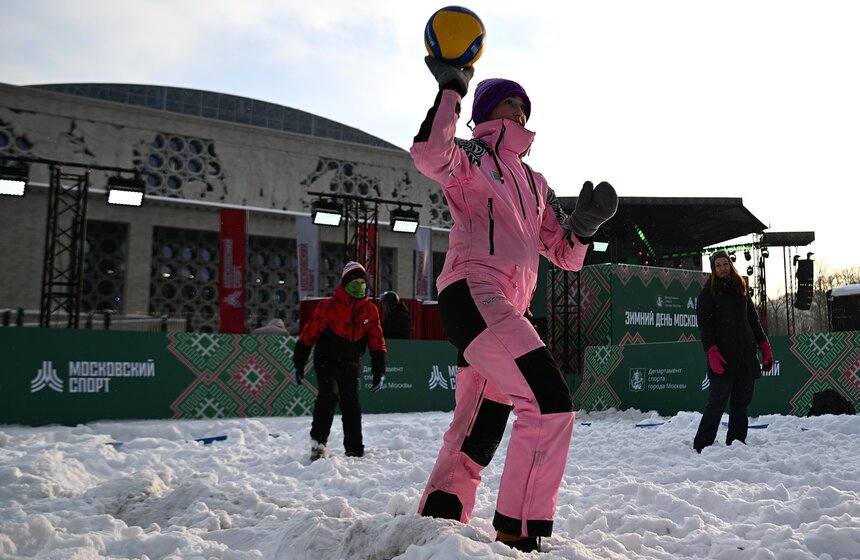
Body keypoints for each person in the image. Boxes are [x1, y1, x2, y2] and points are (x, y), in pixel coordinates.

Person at [410, 56, 618, 552]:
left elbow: (564, 255)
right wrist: (452, 88)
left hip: (504, 307)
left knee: (478, 426)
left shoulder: (535, 183)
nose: (520, 113)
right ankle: (518, 532)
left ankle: (439, 517)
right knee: (549, 403)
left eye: (525, 107)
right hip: (473, 292)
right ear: (487, 110)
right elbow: (427, 153)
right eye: (510, 104)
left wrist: (583, 228)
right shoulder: (470, 158)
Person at [291, 261, 387, 461]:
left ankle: (354, 448)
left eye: (362, 282)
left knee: (351, 404)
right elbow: (309, 333)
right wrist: (299, 362)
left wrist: (379, 370)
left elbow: (377, 340)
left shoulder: (370, 310)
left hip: (351, 363)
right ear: (345, 284)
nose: (359, 285)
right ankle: (318, 443)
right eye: (354, 281)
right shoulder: (328, 306)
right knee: (329, 396)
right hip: (327, 360)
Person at [693, 251, 774, 453]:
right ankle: (702, 444)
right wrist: (711, 351)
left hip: (745, 355)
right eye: (718, 265)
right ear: (713, 269)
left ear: (730, 265)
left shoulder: (741, 290)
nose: (722, 268)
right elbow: (705, 326)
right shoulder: (707, 293)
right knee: (717, 403)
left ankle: (736, 442)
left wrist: (764, 346)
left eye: (725, 264)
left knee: (741, 404)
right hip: (723, 356)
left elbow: (753, 321)